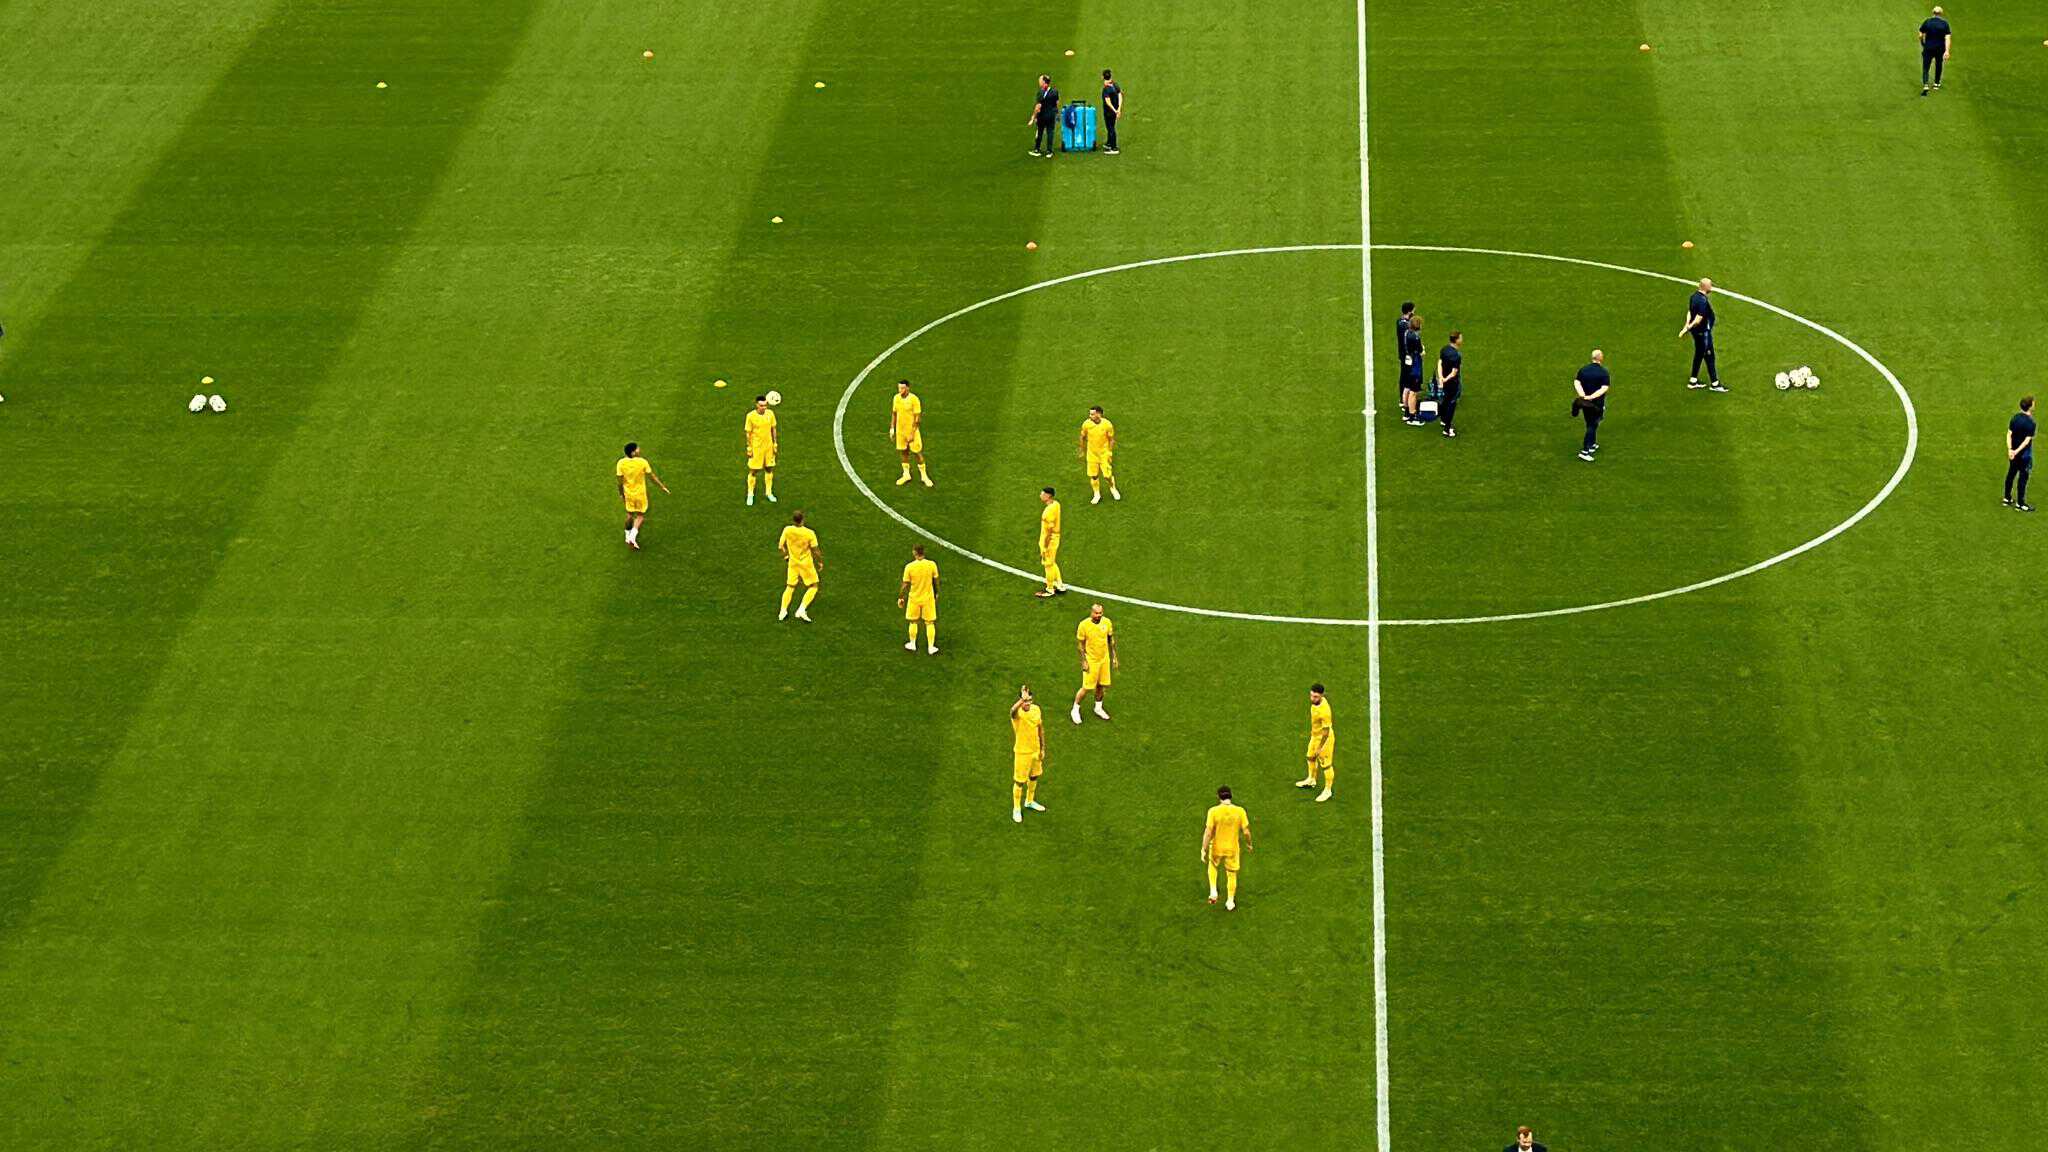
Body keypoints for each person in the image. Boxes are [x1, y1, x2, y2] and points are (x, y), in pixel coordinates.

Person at [1200, 786, 1251, 910]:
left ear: (1218, 797)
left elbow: (1208, 832)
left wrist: (1204, 848)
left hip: (1217, 846)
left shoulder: (1213, 811)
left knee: (1212, 865)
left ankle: (1213, 891)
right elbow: (1246, 832)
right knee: (1231, 874)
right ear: (1231, 796)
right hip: (1232, 848)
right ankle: (1230, 902)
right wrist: (1249, 844)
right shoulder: (1240, 811)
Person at [614, 442, 670, 550]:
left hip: (628, 494)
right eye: (637, 449)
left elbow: (619, 482)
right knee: (640, 516)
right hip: (640, 494)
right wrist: (662, 487)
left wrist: (621, 493)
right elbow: (652, 477)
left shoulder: (620, 463)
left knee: (629, 515)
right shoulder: (642, 462)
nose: (639, 450)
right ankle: (632, 537)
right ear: (633, 452)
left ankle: (627, 535)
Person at [1072, 603, 1117, 723]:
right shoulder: (1084, 625)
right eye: (1096, 613)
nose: (1098, 615)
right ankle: (1075, 708)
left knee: (1101, 685)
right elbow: (1080, 645)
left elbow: (1110, 639)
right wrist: (1084, 661)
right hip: (1091, 660)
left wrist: (1114, 657)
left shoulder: (1107, 622)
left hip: (1104, 659)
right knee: (1086, 687)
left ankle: (1098, 708)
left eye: (1100, 613)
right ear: (1091, 612)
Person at [1009, 685, 1047, 823]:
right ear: (1021, 700)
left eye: (1030, 700)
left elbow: (1040, 729)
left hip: (1035, 751)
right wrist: (1021, 700)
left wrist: (1043, 748)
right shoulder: (1017, 714)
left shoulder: (1036, 710)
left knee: (1034, 776)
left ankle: (1029, 801)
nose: (1028, 703)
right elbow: (1011, 711)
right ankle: (1016, 808)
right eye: (1025, 700)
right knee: (1019, 782)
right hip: (1022, 753)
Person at [1681, 278, 1726, 392]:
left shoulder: (1694, 297)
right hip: (1703, 333)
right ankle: (1715, 384)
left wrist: (1687, 326)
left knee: (1699, 354)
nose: (1711, 287)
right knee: (1709, 356)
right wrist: (1688, 327)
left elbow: (1690, 312)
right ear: (1705, 287)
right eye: (1710, 285)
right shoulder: (1702, 301)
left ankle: (1693, 381)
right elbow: (1698, 319)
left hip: (1697, 332)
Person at [776, 511, 821, 621]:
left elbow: (780, 546)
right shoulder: (809, 533)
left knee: (790, 586)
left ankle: (783, 611)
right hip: (806, 564)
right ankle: (801, 609)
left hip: (793, 563)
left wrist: (786, 556)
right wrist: (820, 561)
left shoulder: (787, 530)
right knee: (813, 586)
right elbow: (815, 550)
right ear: (803, 519)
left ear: (793, 520)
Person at [1295, 683, 1335, 802]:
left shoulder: (1325, 712)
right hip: (1315, 736)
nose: (1312, 699)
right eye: (1311, 696)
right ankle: (1311, 779)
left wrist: (1320, 747)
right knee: (1310, 757)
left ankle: (1328, 790)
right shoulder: (1316, 704)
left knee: (1326, 765)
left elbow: (1326, 732)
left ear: (1322, 695)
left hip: (1324, 740)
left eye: (1316, 697)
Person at [890, 378, 931, 487]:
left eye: (902, 388)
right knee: (903, 452)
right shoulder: (896, 398)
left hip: (912, 431)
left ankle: (924, 476)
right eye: (899, 388)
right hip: (900, 431)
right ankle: (906, 474)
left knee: (917, 452)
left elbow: (917, 418)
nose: (900, 390)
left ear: (908, 388)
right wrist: (892, 429)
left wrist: (912, 433)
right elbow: (894, 413)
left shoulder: (914, 400)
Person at [899, 544, 940, 653]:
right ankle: (931, 647)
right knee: (930, 622)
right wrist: (936, 593)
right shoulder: (932, 565)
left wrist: (901, 597)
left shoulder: (909, 567)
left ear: (914, 552)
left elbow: (905, 584)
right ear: (923, 552)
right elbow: (935, 581)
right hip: (928, 598)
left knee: (913, 622)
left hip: (914, 598)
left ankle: (912, 644)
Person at [1572, 349, 1612, 462]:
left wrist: (1583, 395)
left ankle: (1592, 444)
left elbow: (1577, 382)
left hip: (1585, 403)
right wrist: (1592, 397)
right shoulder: (1603, 372)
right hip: (1596, 404)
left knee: (1590, 423)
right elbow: (1604, 388)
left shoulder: (1583, 370)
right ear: (1601, 358)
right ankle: (1585, 451)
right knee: (1592, 425)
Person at [1079, 406, 1120, 503]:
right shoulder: (1086, 424)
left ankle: (1113, 488)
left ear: (1099, 414)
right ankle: (1096, 494)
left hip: (1104, 454)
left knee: (1107, 475)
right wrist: (1081, 449)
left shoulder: (1107, 424)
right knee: (1093, 475)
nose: (1090, 416)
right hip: (1092, 454)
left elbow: (1111, 439)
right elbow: (1082, 436)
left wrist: (1109, 451)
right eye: (1090, 414)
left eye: (1092, 414)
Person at [745, 395, 779, 505]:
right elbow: (748, 433)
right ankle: (750, 494)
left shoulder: (770, 414)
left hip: (768, 446)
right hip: (756, 447)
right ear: (756, 405)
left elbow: (773, 429)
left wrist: (775, 443)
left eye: (765, 405)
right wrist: (749, 447)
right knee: (753, 471)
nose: (763, 408)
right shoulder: (750, 416)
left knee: (769, 468)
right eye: (761, 405)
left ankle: (769, 493)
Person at [1035, 487, 1065, 598]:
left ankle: (1050, 589)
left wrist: (1045, 546)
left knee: (1047, 564)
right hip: (1055, 537)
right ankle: (1060, 585)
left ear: (1048, 496)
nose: (1040, 495)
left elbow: (1048, 531)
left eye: (1042, 494)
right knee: (1052, 562)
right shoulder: (1056, 504)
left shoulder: (1047, 513)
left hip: (1049, 540)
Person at [2007, 395, 2035, 512]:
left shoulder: (2015, 418)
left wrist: (2010, 450)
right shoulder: (2031, 423)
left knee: (2011, 474)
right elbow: (2027, 440)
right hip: (2024, 455)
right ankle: (2020, 503)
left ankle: (2007, 498)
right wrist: (2017, 451)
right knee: (2023, 478)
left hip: (2013, 454)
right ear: (2030, 406)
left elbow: (2009, 434)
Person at [1399, 306, 1425, 424]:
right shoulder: (1415, 337)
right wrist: (1422, 349)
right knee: (1413, 391)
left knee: (1406, 387)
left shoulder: (1406, 333)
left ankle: (1406, 411)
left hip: (1408, 362)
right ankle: (1412, 415)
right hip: (1414, 364)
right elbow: (1421, 352)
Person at [1437, 330, 1465, 438]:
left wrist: (1441, 377)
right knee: (1451, 404)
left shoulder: (1444, 349)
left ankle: (1443, 420)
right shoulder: (1456, 356)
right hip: (1453, 383)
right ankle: (1447, 429)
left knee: (1446, 400)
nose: (1462, 340)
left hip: (1445, 382)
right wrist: (1446, 379)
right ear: (1457, 340)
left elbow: (1439, 363)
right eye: (1461, 338)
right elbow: (1454, 373)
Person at [1919, 6, 1952, 95]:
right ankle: (1936, 84)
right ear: (1941, 13)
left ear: (1933, 12)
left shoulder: (1927, 22)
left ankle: (1926, 84)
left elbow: (1920, 34)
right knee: (1939, 64)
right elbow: (1947, 38)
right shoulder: (1945, 24)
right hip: (1940, 48)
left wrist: (1922, 43)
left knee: (1926, 66)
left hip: (1928, 47)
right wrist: (1947, 51)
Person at [1027, 74, 1060, 158]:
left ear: (1044, 82)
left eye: (1040, 81)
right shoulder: (1055, 91)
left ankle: (1037, 149)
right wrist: (1057, 114)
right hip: (1051, 116)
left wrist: (1033, 117)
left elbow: (1038, 107)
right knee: (1050, 133)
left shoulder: (1041, 92)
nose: (1039, 82)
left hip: (1042, 117)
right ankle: (1049, 151)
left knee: (1039, 132)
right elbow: (1056, 103)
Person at [1100, 70, 1124, 155]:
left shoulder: (1106, 89)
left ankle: (1114, 148)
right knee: (1111, 127)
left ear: (1103, 77)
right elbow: (1120, 96)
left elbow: (1108, 102)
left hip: (1109, 112)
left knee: (1110, 128)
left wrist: (1115, 111)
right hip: (1115, 111)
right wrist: (1118, 109)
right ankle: (1109, 143)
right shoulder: (1115, 85)